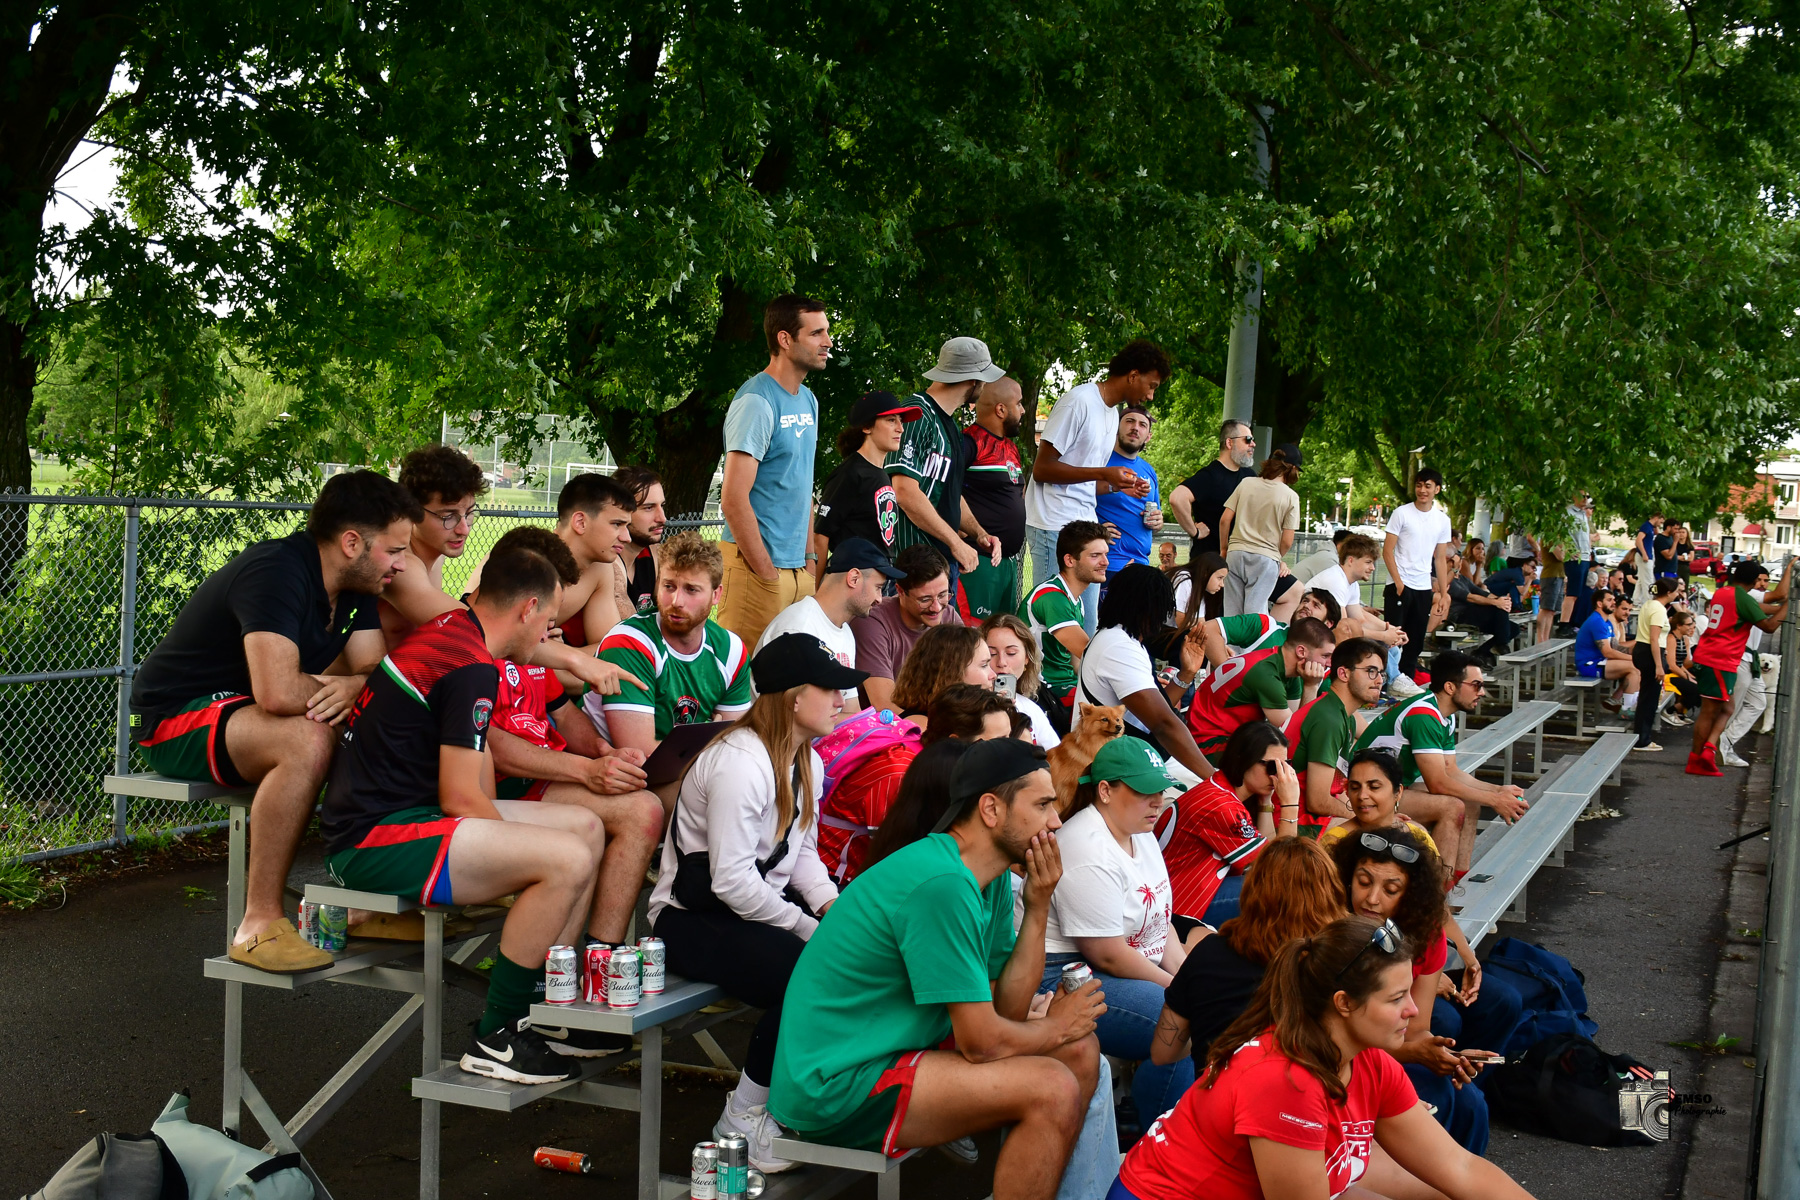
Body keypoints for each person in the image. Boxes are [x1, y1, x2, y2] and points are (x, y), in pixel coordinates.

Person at [320, 545, 613, 1084]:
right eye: (549, 623)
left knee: (585, 827)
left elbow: (470, 779)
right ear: (527, 610)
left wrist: (515, 849)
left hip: (412, 816)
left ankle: (547, 1005)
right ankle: (499, 1033)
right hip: (374, 838)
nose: (548, 638)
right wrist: (522, 860)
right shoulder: (472, 665)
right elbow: (461, 798)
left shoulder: (460, 630)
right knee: (565, 860)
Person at [769, 740, 1106, 1200]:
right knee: (1052, 1087)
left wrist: (1039, 905)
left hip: (893, 1051)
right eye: (1044, 804)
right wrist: (1054, 1027)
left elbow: (1007, 1009)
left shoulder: (990, 874)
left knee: (1080, 1052)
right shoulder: (943, 884)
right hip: (837, 1082)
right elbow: (984, 1043)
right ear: (990, 809)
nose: (1056, 822)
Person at [130, 470, 419, 972]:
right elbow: (279, 691)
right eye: (395, 550)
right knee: (307, 739)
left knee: (388, 724)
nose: (402, 563)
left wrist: (356, 688)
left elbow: (371, 672)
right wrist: (359, 692)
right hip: (175, 715)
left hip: (243, 711)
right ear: (352, 542)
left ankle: (369, 902)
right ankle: (258, 923)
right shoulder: (277, 569)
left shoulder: (357, 585)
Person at [1116, 914, 1536, 1200]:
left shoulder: (1371, 1063)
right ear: (1344, 1003)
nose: (1413, 1009)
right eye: (1395, 997)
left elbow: (1459, 1168)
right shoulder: (1284, 1082)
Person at [650, 634, 855, 1169]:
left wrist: (832, 909)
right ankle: (742, 1115)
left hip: (747, 908)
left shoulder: (804, 756)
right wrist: (806, 929)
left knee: (852, 957)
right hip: (689, 919)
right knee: (809, 973)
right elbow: (732, 883)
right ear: (792, 697)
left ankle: (801, 1105)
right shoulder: (741, 762)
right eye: (830, 689)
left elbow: (802, 854)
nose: (841, 701)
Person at [484, 528, 663, 949]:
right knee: (613, 820)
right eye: (548, 614)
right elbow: (492, 746)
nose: (553, 625)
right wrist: (587, 771)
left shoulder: (531, 642)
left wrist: (607, 753)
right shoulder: (473, 646)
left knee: (645, 806)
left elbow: (561, 715)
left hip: (545, 781)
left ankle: (602, 956)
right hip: (502, 791)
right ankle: (551, 974)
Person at [1039, 738, 1191, 1127]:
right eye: (1144, 791)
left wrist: (1191, 977)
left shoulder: (1138, 829)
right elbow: (1107, 953)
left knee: (1205, 996)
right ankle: (1155, 1137)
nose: (1158, 800)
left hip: (1109, 963)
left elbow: (1160, 919)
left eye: (1160, 789)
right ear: (1105, 790)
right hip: (1063, 973)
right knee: (1180, 1019)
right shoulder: (1086, 846)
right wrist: (1184, 991)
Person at [1332, 828, 1503, 1154]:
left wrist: (1446, 1056)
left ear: (1410, 896)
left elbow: (1417, 1030)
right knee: (1431, 1106)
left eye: (1391, 889)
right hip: (1338, 1066)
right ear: (1345, 878)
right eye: (1364, 882)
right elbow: (1334, 1046)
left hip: (1386, 1053)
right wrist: (1416, 1054)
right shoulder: (1330, 933)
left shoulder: (1426, 936)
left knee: (1472, 1104)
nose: (1372, 898)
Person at [584, 531, 755, 803]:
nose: (677, 601)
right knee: (723, 797)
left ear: (716, 594)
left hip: (684, 770)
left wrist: (714, 749)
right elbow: (644, 757)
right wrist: (711, 745)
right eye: (669, 586)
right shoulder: (629, 642)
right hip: (624, 779)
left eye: (691, 590)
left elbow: (736, 742)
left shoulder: (731, 650)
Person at [1151, 837, 1345, 1074]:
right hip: (1300, 1101)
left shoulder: (1208, 953)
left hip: (1215, 1098)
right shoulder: (1336, 963)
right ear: (1331, 893)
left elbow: (1163, 1053)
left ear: (1252, 889)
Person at [1026, 341, 1167, 633]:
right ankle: (1039, 680)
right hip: (1052, 524)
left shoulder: (1110, 413)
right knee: (1052, 626)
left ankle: (1079, 680)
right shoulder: (1079, 401)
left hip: (1082, 528)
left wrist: (1117, 487)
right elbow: (1042, 469)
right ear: (1132, 375)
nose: (1150, 395)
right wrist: (1105, 472)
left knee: (1087, 625)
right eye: (1150, 385)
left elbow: (1083, 481)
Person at [1352, 651, 1528, 884]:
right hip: (1365, 792)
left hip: (1390, 788)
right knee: (1451, 807)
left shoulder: (1444, 713)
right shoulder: (1424, 715)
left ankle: (1456, 882)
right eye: (1476, 685)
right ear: (1450, 687)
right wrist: (1495, 801)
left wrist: (1497, 791)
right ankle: (1436, 894)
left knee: (1472, 803)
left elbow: (1451, 771)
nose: (1482, 692)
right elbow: (1438, 783)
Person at [718, 293, 828, 649]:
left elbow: (802, 486)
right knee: (743, 689)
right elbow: (733, 499)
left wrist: (810, 562)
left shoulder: (809, 400)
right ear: (785, 339)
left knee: (788, 689)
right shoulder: (756, 401)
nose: (827, 342)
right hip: (756, 570)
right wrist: (766, 573)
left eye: (826, 332)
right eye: (816, 334)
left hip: (798, 570)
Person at [818, 685, 1014, 882]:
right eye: (999, 742)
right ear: (956, 742)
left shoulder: (945, 766)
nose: (1009, 752)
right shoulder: (898, 775)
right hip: (838, 882)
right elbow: (893, 865)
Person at [1074, 563, 1217, 781]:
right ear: (1148, 609)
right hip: (1117, 769)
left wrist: (1187, 674)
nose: (1164, 619)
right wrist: (1214, 780)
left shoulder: (1121, 639)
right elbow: (1163, 724)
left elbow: (1152, 711)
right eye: (1163, 609)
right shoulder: (1118, 647)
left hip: (1129, 756)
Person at [1156, 720, 1300, 933]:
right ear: (1243, 760)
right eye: (1272, 766)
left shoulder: (1220, 789)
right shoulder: (1221, 806)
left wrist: (1266, 801)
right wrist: (1290, 804)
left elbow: (1270, 851)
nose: (1278, 775)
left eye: (1284, 766)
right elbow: (1281, 868)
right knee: (1284, 892)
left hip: (1181, 894)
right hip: (1178, 908)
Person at [888, 338, 1007, 595]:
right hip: (913, 568)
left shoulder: (950, 424)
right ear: (973, 380)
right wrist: (955, 543)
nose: (985, 386)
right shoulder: (916, 413)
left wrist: (978, 533)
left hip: (941, 566)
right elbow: (904, 490)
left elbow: (949, 491)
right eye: (984, 378)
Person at [755, 538, 902, 713]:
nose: (879, 598)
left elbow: (851, 709)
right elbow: (788, 717)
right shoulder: (798, 628)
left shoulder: (845, 630)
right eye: (878, 587)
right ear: (854, 578)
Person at [376, 445, 487, 651]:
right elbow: (470, 629)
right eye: (448, 516)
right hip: (350, 682)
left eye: (469, 513)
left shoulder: (436, 554)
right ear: (412, 512)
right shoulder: (399, 565)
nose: (463, 529)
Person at [1689, 559, 1791, 775]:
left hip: (1714, 656)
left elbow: (1762, 607)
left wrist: (1782, 607)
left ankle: (1709, 748)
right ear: (1755, 580)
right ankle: (1696, 759)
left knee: (1727, 708)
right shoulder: (1743, 598)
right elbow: (1770, 626)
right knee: (1709, 711)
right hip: (1719, 658)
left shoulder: (1724, 592)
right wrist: (1790, 606)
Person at [1186, 617, 1336, 758]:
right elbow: (1293, 735)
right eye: (1325, 656)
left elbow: (1299, 722)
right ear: (1301, 652)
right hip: (1206, 743)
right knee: (1279, 759)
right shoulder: (1266, 675)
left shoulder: (1286, 668)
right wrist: (1311, 686)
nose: (1329, 663)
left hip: (1228, 738)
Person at [1286, 637, 1386, 833]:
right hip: (1293, 823)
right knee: (1390, 837)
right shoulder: (1328, 719)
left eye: (1381, 673)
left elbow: (1336, 790)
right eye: (1371, 671)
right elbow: (1318, 801)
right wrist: (1370, 819)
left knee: (1404, 829)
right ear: (1343, 673)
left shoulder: (1341, 714)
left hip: (1308, 816)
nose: (1380, 680)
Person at [851, 544, 965, 711]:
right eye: (925, 599)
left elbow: (975, 678)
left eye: (942, 595)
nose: (936, 608)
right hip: (888, 728)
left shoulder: (950, 617)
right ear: (900, 591)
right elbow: (884, 705)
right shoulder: (872, 623)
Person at [532, 472, 639, 650]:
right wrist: (555, 655)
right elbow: (489, 635)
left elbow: (610, 649)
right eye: (617, 524)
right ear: (580, 522)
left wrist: (558, 655)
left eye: (627, 526)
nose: (627, 537)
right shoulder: (522, 560)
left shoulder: (601, 569)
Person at [813, 390, 919, 561]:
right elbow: (820, 536)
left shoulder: (881, 474)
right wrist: (816, 587)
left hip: (880, 578)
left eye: (901, 421)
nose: (900, 428)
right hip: (852, 579)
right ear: (866, 426)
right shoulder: (850, 473)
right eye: (891, 420)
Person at [1021, 520, 1108, 723]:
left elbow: (1077, 663)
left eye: (1105, 554)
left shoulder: (1073, 598)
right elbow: (1088, 653)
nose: (1105, 562)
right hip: (1043, 687)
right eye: (1095, 556)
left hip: (1063, 683)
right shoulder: (1052, 596)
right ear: (1069, 560)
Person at [959, 376, 1030, 622]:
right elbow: (945, 492)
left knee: (1002, 637)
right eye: (1019, 404)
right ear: (1001, 409)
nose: (1023, 410)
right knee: (973, 639)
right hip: (977, 564)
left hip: (1008, 565)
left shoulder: (1011, 448)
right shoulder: (967, 443)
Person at [1383, 468, 1452, 694]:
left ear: (1437, 489)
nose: (1423, 490)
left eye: (1428, 486)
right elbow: (1387, 551)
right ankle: (1386, 685)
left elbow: (1440, 558)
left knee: (1415, 641)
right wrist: (1399, 583)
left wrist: (1442, 592)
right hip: (1400, 585)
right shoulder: (1402, 513)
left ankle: (1407, 684)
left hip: (1423, 587)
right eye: (1419, 485)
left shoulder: (1442, 520)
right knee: (1393, 638)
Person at [1219, 443, 1303, 617]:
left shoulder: (1246, 483)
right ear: (1293, 469)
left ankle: (1229, 645)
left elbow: (1225, 520)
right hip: (1265, 558)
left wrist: (1224, 548)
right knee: (1255, 616)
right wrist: (1276, 557)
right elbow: (1287, 541)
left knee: (1232, 614)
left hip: (1235, 553)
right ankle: (1255, 645)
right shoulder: (1291, 497)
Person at [1169, 419, 1256, 562]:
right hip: (1209, 563)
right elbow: (1177, 498)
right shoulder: (1210, 476)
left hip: (1241, 563)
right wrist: (1194, 531)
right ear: (1229, 443)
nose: (1253, 444)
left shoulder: (1250, 475)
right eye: (1247, 439)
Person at [1093, 405, 1163, 576]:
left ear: (1148, 436)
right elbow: (1073, 499)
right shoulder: (1099, 461)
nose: (1135, 428)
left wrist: (1158, 521)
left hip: (1141, 565)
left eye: (1142, 425)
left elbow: (1154, 518)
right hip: (1107, 564)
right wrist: (1094, 530)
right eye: (1129, 421)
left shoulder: (1149, 471)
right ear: (1116, 428)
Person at [1719, 563, 1773, 767]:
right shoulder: (1748, 596)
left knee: (1758, 703)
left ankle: (1725, 742)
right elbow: (1778, 600)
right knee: (1732, 706)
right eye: (1759, 580)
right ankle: (1716, 748)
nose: (1762, 584)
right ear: (1751, 581)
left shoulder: (1746, 595)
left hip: (1751, 659)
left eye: (1766, 581)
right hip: (1739, 656)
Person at [983, 612, 1064, 747]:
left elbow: (1055, 756)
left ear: (1027, 658)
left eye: (1011, 653)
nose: (1001, 662)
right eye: (992, 654)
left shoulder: (1032, 709)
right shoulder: (969, 708)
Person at [1309, 533, 1405, 647]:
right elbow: (1345, 629)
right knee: (1380, 647)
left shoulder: (1351, 583)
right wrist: (1384, 636)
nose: (1372, 568)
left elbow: (1361, 619)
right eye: (1368, 562)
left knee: (1389, 649)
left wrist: (1393, 631)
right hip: (1311, 638)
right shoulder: (1335, 581)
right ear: (1350, 560)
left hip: (1322, 636)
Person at [890, 626, 996, 726]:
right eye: (984, 665)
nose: (993, 675)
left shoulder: (962, 717)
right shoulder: (921, 726)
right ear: (952, 673)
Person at [1632, 578, 1683, 753]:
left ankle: (1641, 736)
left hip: (1643, 650)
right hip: (1650, 653)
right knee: (1650, 698)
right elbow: (1654, 638)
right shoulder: (1659, 610)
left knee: (1647, 696)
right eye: (1676, 591)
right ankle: (1642, 740)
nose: (1678, 594)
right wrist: (1659, 665)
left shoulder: (1649, 604)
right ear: (1668, 593)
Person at [1573, 589, 1640, 713]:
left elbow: (1616, 647)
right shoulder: (1596, 622)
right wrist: (1633, 659)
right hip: (1589, 664)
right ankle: (1627, 708)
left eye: (1614, 600)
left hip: (1600, 661)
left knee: (1638, 666)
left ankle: (1629, 705)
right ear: (1599, 604)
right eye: (1609, 600)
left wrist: (1638, 652)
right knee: (1634, 666)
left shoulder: (1606, 621)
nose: (1613, 603)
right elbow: (1608, 652)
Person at [615, 464, 667, 616]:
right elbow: (628, 634)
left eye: (662, 505)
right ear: (621, 512)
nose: (662, 518)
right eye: (649, 508)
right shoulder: (605, 561)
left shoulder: (654, 554)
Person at [1447, 553, 1518, 663]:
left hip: (1475, 615)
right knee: (1498, 607)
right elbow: (1471, 598)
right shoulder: (1448, 582)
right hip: (1460, 617)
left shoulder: (1463, 579)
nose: (1458, 565)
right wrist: (1496, 602)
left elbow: (1482, 592)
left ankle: (1482, 651)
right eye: (1454, 562)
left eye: (1459, 561)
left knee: (1514, 628)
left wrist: (1501, 599)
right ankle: (1501, 644)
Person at [1564, 493, 1596, 628]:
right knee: (1572, 592)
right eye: (1582, 496)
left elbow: (1586, 535)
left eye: (1587, 496)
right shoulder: (1567, 512)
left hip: (1584, 557)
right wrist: (1568, 549)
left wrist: (1588, 551)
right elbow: (1561, 533)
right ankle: (1564, 623)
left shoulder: (1583, 514)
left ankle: (1575, 622)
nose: (1585, 499)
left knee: (1580, 593)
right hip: (1574, 558)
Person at [1631, 512, 1663, 605]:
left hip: (1648, 556)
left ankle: (1636, 600)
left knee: (1641, 579)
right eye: (1660, 522)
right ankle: (1650, 599)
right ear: (1657, 518)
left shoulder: (1650, 528)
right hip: (1645, 556)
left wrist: (1656, 526)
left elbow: (1656, 532)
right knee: (1649, 580)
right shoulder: (1646, 526)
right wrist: (1644, 554)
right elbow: (1639, 540)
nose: (1660, 525)